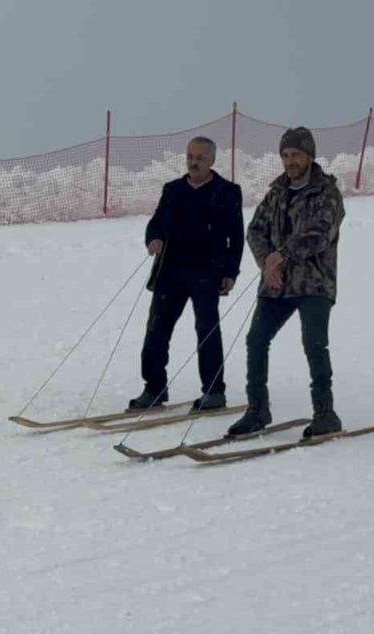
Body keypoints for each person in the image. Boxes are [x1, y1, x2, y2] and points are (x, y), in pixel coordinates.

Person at [227, 127, 346, 439]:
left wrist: (282, 255)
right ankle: (257, 410)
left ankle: (325, 413)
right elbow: (255, 230)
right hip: (276, 284)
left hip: (314, 284)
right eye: (285, 155)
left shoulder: (327, 193)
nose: (290, 161)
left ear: (309, 155)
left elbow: (320, 234)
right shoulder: (276, 192)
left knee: (314, 344)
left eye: (296, 154)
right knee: (256, 340)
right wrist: (268, 261)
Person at [128, 136, 244, 411]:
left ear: (213, 161)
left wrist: (231, 272)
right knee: (156, 330)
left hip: (207, 272)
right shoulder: (173, 190)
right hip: (170, 272)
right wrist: (153, 239)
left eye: (200, 158)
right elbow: (156, 223)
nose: (194, 162)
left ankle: (214, 392)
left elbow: (236, 237)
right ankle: (154, 389)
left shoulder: (227, 191)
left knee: (206, 331)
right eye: (190, 156)